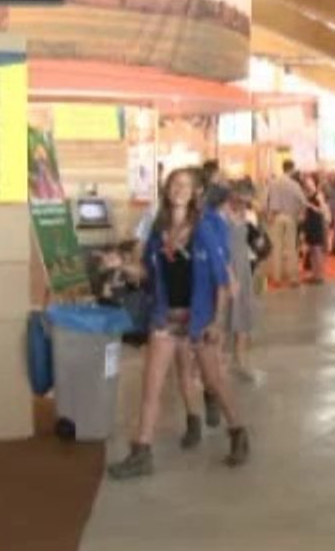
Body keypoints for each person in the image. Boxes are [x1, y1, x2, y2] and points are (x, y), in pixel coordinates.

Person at [108, 169, 248, 479]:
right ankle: (141, 452)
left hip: (198, 320)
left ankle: (238, 432)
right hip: (165, 318)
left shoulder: (204, 229)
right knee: (151, 388)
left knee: (214, 382)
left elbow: (222, 280)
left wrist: (216, 322)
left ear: (196, 192)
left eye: (186, 185)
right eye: (174, 184)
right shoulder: (159, 233)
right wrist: (123, 266)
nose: (179, 189)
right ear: (167, 189)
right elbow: (147, 274)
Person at [225, 180, 258, 379]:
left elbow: (254, 242)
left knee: (243, 312)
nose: (243, 204)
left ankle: (240, 359)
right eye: (240, 198)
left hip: (244, 267)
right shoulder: (221, 215)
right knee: (221, 314)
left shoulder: (249, 216)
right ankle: (218, 360)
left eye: (247, 200)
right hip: (226, 267)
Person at [264, 160, 307, 288]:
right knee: (291, 248)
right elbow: (303, 201)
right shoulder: (294, 185)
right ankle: (292, 277)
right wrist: (299, 213)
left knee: (276, 248)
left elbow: (267, 199)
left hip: (276, 217)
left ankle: (276, 277)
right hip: (290, 217)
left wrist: (268, 215)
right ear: (292, 169)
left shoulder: (273, 183)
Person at [302, 175, 329, 284]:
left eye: (310, 181)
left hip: (317, 223)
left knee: (317, 249)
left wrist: (311, 206)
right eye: (306, 182)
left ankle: (319, 275)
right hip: (309, 223)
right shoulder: (308, 194)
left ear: (314, 182)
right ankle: (314, 274)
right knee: (312, 249)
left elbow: (323, 210)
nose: (308, 183)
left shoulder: (319, 195)